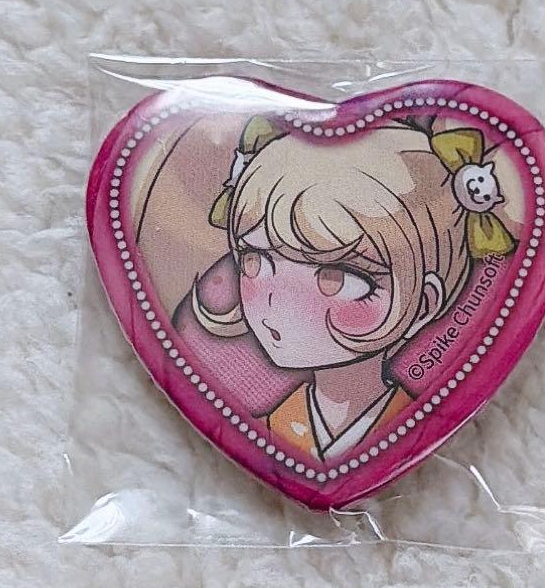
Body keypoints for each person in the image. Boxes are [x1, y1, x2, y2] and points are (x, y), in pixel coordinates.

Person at [193, 115, 516, 461]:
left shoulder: (413, 420)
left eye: (336, 278)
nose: (277, 302)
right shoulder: (269, 430)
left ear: (423, 305)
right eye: (255, 260)